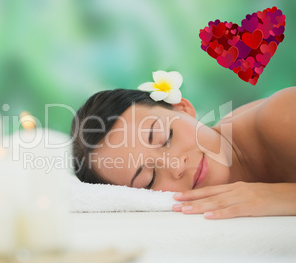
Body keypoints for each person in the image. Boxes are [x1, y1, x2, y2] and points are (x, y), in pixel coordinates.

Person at [71, 70, 296, 219]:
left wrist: (284, 197)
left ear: (182, 108)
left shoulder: (281, 117)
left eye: (165, 138)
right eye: (149, 179)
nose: (176, 166)